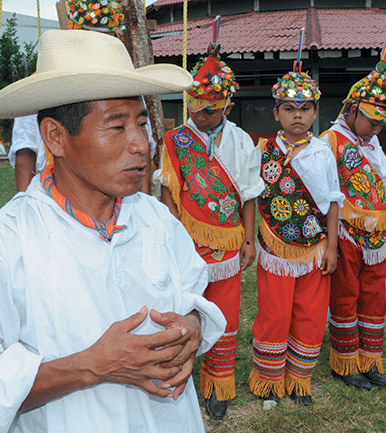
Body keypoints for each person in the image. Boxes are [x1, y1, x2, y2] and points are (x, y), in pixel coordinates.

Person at [0, 29, 226, 433]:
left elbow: (192, 292)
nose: (141, 144)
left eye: (141, 123)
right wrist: (91, 366)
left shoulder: (154, 220)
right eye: (117, 127)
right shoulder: (3, 244)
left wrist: (191, 325)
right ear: (56, 137)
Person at [156, 41, 263, 419]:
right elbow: (169, 190)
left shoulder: (240, 140)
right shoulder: (176, 141)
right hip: (186, 243)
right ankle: (178, 377)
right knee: (182, 311)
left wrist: (249, 239)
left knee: (226, 312)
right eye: (195, 109)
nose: (200, 116)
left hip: (229, 244)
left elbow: (250, 194)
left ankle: (218, 384)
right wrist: (174, 234)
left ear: (227, 107)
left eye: (210, 111)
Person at [247, 68, 344, 407]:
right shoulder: (261, 152)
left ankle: (299, 378)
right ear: (276, 112)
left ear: (316, 112)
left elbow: (333, 201)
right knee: (274, 313)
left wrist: (332, 247)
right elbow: (249, 196)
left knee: (310, 314)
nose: (297, 115)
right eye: (289, 108)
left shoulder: (323, 153)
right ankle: (269, 380)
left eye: (305, 108)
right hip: (275, 249)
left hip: (316, 248)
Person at [319, 36, 386, 391]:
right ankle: (345, 361)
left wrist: (382, 225)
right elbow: (324, 193)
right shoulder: (329, 141)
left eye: (381, 124)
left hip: (374, 235)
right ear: (351, 110)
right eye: (371, 121)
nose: (376, 129)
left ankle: (371, 358)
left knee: (374, 296)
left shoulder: (373, 143)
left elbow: (383, 183)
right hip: (347, 234)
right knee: (345, 296)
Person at [9, 0, 156, 194]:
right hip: (55, 193)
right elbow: (25, 152)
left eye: (108, 38)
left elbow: (144, 149)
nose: (139, 145)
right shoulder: (40, 90)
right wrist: (27, 206)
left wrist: (142, 204)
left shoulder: (128, 88)